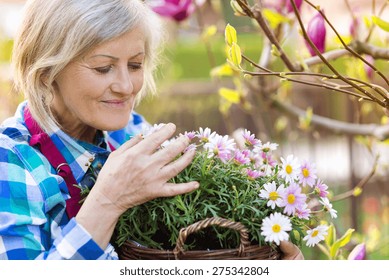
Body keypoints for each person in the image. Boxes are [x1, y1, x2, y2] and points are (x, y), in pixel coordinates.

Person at [0, 0, 303, 260]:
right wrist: (107, 200)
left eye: (134, 65)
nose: (126, 86)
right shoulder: (11, 160)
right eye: (103, 68)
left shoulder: (131, 132)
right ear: (46, 71)